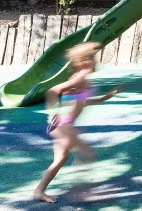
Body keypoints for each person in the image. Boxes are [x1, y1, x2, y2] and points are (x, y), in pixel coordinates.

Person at [34, 42, 123, 204]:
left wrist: (106, 97)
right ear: (83, 61)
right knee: (86, 153)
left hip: (65, 125)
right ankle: (81, 190)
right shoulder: (79, 78)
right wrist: (54, 111)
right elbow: (53, 91)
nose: (96, 61)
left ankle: (39, 191)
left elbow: (83, 101)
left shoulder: (84, 80)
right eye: (92, 58)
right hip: (64, 125)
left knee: (61, 159)